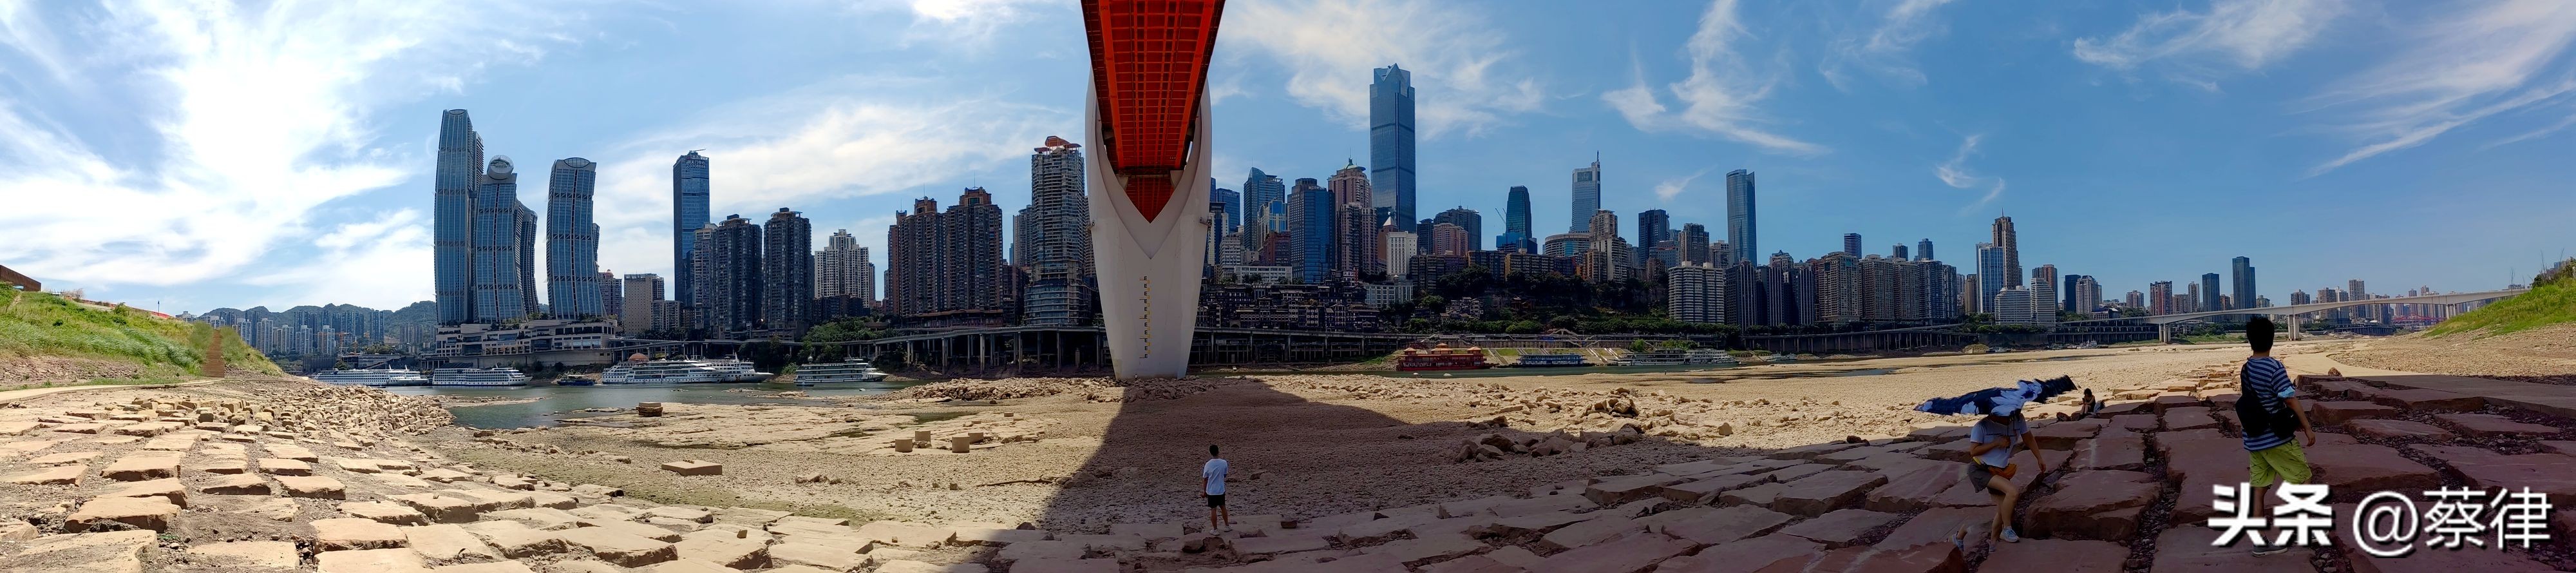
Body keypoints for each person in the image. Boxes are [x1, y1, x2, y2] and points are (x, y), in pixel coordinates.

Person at [2237, 317, 2316, 556]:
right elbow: (2289, 399)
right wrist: (2307, 427)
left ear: (2250, 340)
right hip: (2277, 438)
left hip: (2254, 439)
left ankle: (2259, 541)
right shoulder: (2274, 367)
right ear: (2273, 339)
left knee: (2258, 488)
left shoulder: (2247, 367)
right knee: (2303, 479)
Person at [1964, 409, 2041, 544]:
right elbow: (1973, 451)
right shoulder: (1982, 426)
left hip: (1999, 470)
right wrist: (1996, 443)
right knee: (2012, 492)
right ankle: (2007, 529)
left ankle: (1992, 544)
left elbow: (2028, 438)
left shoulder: (2018, 420)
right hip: (1980, 469)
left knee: (2002, 511)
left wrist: (2039, 458)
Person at [1202, 444, 1229, 532]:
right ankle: (1227, 526)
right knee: (1223, 507)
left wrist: (1204, 491)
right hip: (1221, 489)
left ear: (1210, 453)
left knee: (1213, 509)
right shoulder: (1224, 463)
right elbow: (1225, 475)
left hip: (1211, 491)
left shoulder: (1208, 464)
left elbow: (1205, 479)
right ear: (1218, 451)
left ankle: (1215, 529)